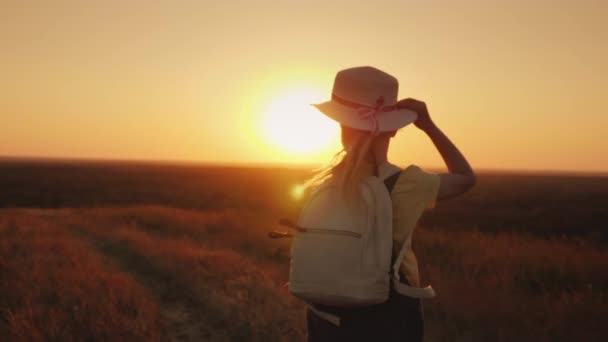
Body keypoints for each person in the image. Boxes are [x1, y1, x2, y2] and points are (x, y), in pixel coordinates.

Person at [305, 66, 475, 342]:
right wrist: (429, 126)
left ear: (340, 126)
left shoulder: (324, 183)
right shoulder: (408, 184)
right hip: (387, 318)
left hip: (327, 315)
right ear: (394, 130)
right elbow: (465, 178)